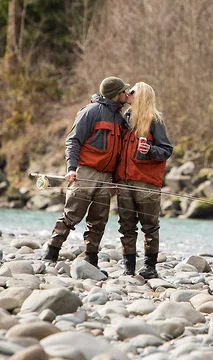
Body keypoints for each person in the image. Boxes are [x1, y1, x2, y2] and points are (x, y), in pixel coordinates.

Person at [43, 76, 131, 274]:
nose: (127, 93)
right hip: (86, 172)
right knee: (72, 215)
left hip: (107, 176)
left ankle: (91, 260)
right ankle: (51, 252)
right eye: (124, 91)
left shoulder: (119, 117)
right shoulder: (90, 111)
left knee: (99, 219)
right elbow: (73, 141)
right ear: (115, 94)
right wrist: (71, 168)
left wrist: (116, 179)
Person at [116, 82, 173, 278]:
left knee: (150, 226)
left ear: (140, 97)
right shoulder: (126, 118)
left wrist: (150, 150)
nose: (127, 94)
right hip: (124, 181)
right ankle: (128, 268)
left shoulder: (155, 121)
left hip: (146, 183)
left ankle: (150, 267)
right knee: (126, 226)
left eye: (131, 92)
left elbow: (166, 150)